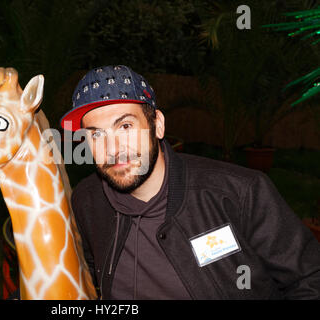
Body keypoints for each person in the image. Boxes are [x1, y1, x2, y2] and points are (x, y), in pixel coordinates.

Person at [60, 65, 320, 300]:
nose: (112, 149)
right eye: (96, 135)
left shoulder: (239, 193)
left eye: (125, 127)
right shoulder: (87, 201)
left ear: (157, 125)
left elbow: (310, 279)